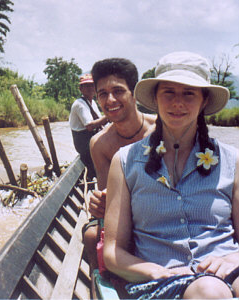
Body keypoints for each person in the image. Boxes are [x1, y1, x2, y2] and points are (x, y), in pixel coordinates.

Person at [103, 51, 239, 298]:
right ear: (155, 98)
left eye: (189, 93)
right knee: (209, 291)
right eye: (169, 92)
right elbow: (112, 252)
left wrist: (234, 258)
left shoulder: (233, 160)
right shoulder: (125, 161)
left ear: (204, 101)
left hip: (228, 270)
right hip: (163, 282)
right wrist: (153, 271)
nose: (178, 103)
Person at [82, 58, 155, 270]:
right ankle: (102, 284)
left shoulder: (160, 129)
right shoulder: (100, 144)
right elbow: (109, 196)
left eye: (118, 91)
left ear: (134, 94)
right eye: (102, 94)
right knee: (90, 235)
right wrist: (99, 203)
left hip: (159, 210)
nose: (110, 100)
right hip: (124, 215)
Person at [69, 74, 108, 179]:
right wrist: (108, 116)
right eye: (86, 86)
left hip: (91, 138)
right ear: (81, 89)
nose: (90, 88)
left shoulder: (92, 102)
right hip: (83, 143)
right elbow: (90, 126)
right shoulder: (80, 104)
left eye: (92, 85)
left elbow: (101, 122)